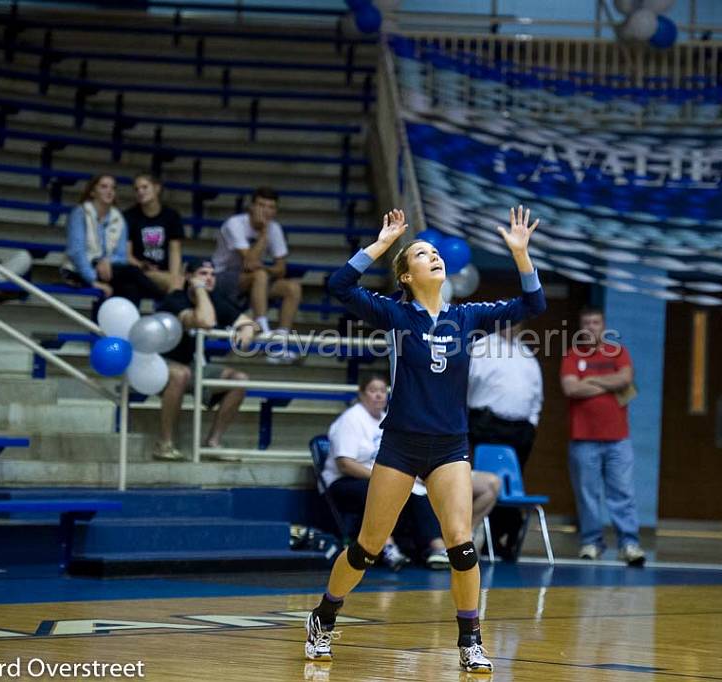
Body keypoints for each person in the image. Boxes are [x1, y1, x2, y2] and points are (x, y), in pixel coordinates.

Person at [304, 205, 545, 674]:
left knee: (461, 543)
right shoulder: (395, 314)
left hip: (450, 445)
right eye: (420, 254)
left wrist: (520, 255)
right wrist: (381, 244)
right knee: (367, 548)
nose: (432, 257)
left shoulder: (468, 316)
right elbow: (338, 286)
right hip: (400, 445)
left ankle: (470, 640)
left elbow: (533, 305)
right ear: (408, 275)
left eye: (435, 252)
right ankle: (323, 617)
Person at [324, 374, 450, 570]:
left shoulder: (388, 421)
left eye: (383, 391)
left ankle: (436, 547)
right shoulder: (351, 419)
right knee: (379, 490)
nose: (379, 396)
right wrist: (384, 479)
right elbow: (345, 464)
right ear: (361, 394)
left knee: (418, 490)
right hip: (344, 481)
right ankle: (387, 547)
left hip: (381, 477)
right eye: (373, 391)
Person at [560, 308, 645, 566]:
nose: (591, 327)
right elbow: (570, 387)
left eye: (596, 322)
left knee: (623, 492)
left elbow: (626, 378)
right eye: (586, 323)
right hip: (583, 438)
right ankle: (591, 542)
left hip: (618, 439)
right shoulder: (572, 356)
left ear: (603, 326)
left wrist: (591, 380)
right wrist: (608, 382)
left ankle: (628, 543)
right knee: (588, 494)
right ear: (580, 327)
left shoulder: (617, 352)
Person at [152, 260, 254, 462]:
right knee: (181, 374)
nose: (209, 278)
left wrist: (247, 330)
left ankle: (213, 443)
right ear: (189, 277)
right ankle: (164, 443)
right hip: (157, 362)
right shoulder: (175, 300)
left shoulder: (215, 299)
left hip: (190, 365)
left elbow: (247, 322)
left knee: (239, 379)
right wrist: (199, 290)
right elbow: (205, 321)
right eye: (203, 273)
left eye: (212, 274)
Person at [467, 321, 543, 561]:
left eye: (516, 324)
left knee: (510, 485)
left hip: (520, 430)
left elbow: (536, 395)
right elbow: (464, 384)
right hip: (486, 424)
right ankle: (486, 536)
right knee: (489, 484)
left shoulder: (527, 355)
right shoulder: (480, 348)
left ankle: (499, 539)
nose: (512, 328)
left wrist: (532, 423)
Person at [211, 187, 303, 362]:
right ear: (251, 207)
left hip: (253, 281)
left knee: (292, 287)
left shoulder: (275, 228)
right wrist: (263, 234)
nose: (265, 211)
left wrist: (265, 268)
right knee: (259, 274)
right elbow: (250, 263)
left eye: (270, 207)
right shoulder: (235, 224)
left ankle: (279, 343)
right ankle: (264, 331)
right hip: (221, 279)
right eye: (261, 205)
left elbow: (281, 268)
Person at [61, 174, 164, 306]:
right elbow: (76, 252)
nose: (109, 191)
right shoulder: (80, 213)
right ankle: (163, 298)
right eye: (104, 187)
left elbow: (121, 256)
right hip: (79, 271)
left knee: (131, 288)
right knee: (132, 272)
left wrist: (106, 261)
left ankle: (127, 325)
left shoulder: (119, 218)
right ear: (92, 192)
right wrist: (93, 280)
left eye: (113, 188)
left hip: (110, 271)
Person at [123, 173, 184, 294]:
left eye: (145, 187)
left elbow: (175, 251)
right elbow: (126, 255)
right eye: (136, 189)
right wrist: (141, 265)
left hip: (165, 272)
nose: (140, 192)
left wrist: (174, 275)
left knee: (180, 281)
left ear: (157, 188)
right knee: (176, 284)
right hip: (140, 271)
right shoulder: (129, 216)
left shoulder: (171, 216)